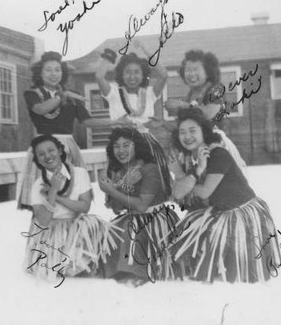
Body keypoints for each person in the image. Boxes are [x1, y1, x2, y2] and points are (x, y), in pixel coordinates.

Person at [168, 108, 281, 283]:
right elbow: (178, 192)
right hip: (219, 210)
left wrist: (184, 177)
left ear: (204, 132)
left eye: (192, 131)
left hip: (242, 214)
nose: (187, 136)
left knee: (229, 271)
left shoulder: (219, 154)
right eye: (182, 132)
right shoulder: (192, 157)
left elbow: (205, 191)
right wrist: (193, 171)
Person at [22, 135, 121, 284]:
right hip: (52, 233)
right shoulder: (38, 184)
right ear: (37, 159)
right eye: (41, 154)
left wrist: (58, 198)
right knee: (63, 274)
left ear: (60, 150)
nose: (48, 156)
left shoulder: (80, 173)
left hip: (77, 227)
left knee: (94, 265)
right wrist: (54, 190)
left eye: (51, 150)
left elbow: (84, 206)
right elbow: (43, 220)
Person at [18, 51, 109, 209]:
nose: (53, 74)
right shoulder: (33, 94)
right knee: (43, 199)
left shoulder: (74, 95)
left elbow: (87, 121)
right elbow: (40, 109)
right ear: (40, 72)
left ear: (63, 72)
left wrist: (115, 122)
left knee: (71, 195)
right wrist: (62, 96)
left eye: (57, 69)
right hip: (43, 147)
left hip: (68, 147)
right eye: (48, 69)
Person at [97, 127, 180, 287]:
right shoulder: (119, 170)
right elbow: (116, 208)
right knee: (110, 233)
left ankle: (137, 274)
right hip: (131, 218)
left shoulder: (150, 168)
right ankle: (118, 273)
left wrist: (113, 190)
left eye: (126, 145)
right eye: (116, 146)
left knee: (132, 236)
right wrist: (121, 186)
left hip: (154, 220)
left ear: (137, 146)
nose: (121, 150)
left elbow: (142, 206)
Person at [95, 45, 171, 196]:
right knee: (123, 186)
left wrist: (148, 50)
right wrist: (109, 56)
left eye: (137, 72)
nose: (132, 76)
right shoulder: (113, 93)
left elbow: (164, 75)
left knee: (148, 187)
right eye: (127, 72)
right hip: (121, 146)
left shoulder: (149, 93)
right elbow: (99, 76)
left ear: (144, 75)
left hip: (146, 144)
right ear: (121, 75)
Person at [165, 49, 248, 179]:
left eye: (196, 69)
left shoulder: (216, 88)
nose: (191, 74)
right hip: (193, 145)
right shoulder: (191, 94)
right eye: (187, 70)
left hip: (214, 145)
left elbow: (210, 112)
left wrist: (182, 106)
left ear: (208, 71)